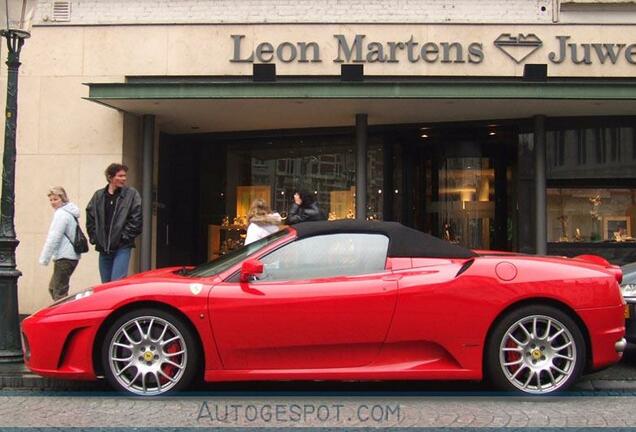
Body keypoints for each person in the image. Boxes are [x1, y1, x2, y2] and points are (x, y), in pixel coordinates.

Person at [86, 163, 142, 283]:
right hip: (103, 247)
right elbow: (90, 217)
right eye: (120, 176)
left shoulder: (131, 194)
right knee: (105, 284)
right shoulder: (98, 196)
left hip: (122, 247)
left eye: (125, 176)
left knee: (117, 282)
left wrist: (123, 238)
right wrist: (95, 238)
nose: (124, 179)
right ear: (110, 177)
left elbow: (136, 220)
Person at [39, 187, 81, 301]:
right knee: (54, 288)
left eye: (55, 199)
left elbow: (54, 237)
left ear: (62, 199)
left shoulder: (61, 214)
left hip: (65, 257)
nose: (53, 202)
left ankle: (66, 316)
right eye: (51, 200)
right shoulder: (69, 213)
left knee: (59, 292)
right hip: (68, 256)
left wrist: (44, 258)